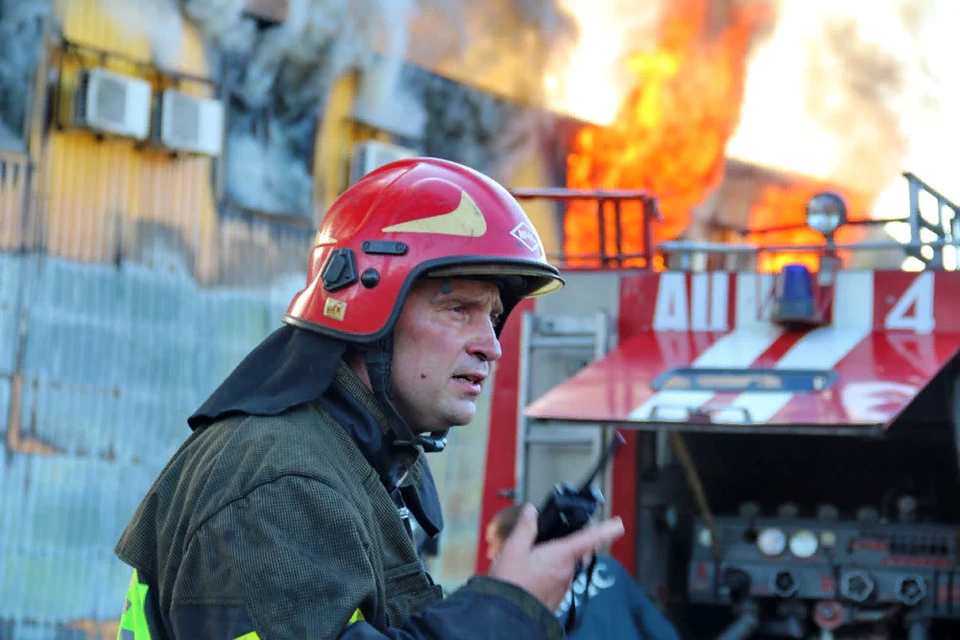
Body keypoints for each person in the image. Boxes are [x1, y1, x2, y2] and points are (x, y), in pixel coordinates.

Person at [112, 157, 625, 640]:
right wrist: (505, 608)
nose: (490, 346)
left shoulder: (348, 459)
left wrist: (517, 593)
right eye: (459, 309)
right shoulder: (280, 484)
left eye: (492, 317)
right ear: (368, 305)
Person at [486, 504, 680, 640]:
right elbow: (659, 630)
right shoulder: (609, 569)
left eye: (494, 546)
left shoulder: (522, 599)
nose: (489, 554)